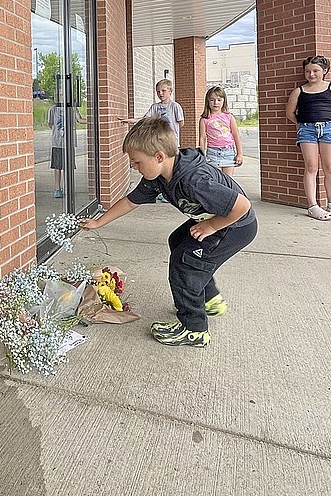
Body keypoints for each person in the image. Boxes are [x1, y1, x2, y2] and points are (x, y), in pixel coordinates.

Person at [81, 116, 257, 348]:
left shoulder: (193, 180)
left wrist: (212, 226)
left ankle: (194, 329)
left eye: (137, 162)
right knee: (178, 241)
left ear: (159, 156)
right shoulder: (159, 177)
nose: (134, 167)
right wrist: (98, 223)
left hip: (233, 226)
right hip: (214, 220)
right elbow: (131, 201)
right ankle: (210, 299)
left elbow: (242, 206)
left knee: (185, 265)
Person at [285, 55, 331, 220]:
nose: (311, 74)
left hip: (327, 129)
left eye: (315, 71)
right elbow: (290, 113)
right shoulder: (299, 91)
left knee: (330, 167)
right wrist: (301, 125)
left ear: (324, 71)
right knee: (311, 167)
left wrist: (326, 121)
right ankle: (313, 206)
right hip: (307, 130)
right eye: (308, 71)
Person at [198, 85, 244, 176]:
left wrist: (240, 154)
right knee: (216, 181)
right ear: (208, 101)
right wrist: (202, 155)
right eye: (212, 100)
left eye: (219, 100)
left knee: (228, 181)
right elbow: (202, 138)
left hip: (228, 153)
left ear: (224, 101)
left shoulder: (229, 117)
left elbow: (236, 136)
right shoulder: (204, 119)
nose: (216, 103)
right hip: (212, 153)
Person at [120, 79, 185, 142]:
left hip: (172, 141)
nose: (161, 93)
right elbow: (145, 119)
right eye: (158, 91)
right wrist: (129, 120)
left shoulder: (175, 106)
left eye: (163, 91)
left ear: (170, 91)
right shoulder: (155, 107)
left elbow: (181, 123)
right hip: (158, 140)